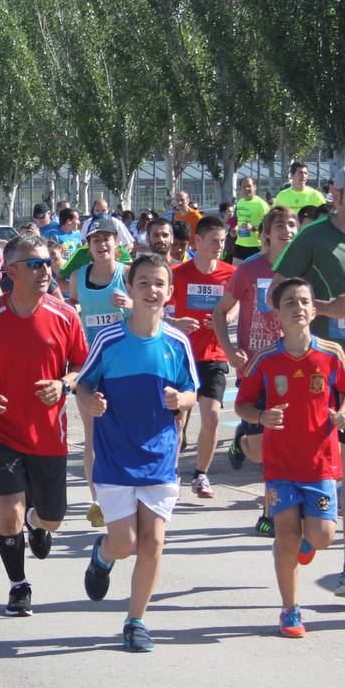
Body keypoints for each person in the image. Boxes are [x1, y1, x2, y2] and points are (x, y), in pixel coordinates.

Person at [0, 233, 88, 617]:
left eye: (47, 262)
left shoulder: (65, 316)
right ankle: (18, 585)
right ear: (12, 272)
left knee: (53, 519)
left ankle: (37, 521)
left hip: (48, 434)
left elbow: (81, 367)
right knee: (8, 509)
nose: (45, 270)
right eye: (35, 264)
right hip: (0, 431)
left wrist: (64, 384)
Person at [274, 163, 345, 599]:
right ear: (336, 196)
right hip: (319, 364)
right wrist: (325, 308)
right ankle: (308, 529)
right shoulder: (313, 238)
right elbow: (277, 294)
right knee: (317, 456)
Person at [78, 253, 198, 652]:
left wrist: (180, 398)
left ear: (169, 291)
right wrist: (92, 403)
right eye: (143, 282)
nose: (151, 290)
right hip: (114, 455)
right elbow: (84, 384)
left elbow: (191, 391)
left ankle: (136, 621)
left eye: (159, 283)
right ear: (129, 290)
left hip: (159, 456)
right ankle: (103, 554)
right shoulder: (109, 339)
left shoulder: (177, 342)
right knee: (125, 542)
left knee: (154, 543)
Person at [235, 277, 345, 638]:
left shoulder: (331, 353)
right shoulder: (266, 360)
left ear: (314, 309)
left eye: (304, 301)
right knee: (285, 536)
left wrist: (342, 413)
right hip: (281, 464)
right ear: (277, 313)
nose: (299, 307)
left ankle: (308, 542)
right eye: (290, 302)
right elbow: (242, 404)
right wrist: (261, 417)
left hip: (320, 462)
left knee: (322, 537)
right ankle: (289, 610)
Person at [212, 207, 298, 535]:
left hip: (291, 368)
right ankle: (242, 441)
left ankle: (269, 512)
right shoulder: (249, 271)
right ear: (265, 234)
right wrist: (231, 351)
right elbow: (220, 313)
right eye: (279, 226)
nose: (287, 230)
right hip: (255, 369)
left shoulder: (304, 270)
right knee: (262, 448)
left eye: (292, 225)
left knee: (279, 444)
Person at [68, 215, 132, 527]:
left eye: (107, 238)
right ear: (88, 247)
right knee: (92, 435)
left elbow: (151, 310)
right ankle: (98, 501)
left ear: (117, 244)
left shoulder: (127, 275)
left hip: (124, 367)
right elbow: (73, 309)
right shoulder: (78, 277)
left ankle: (126, 494)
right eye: (96, 240)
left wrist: (131, 304)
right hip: (91, 368)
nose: (102, 243)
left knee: (124, 431)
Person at [168, 215, 236, 500]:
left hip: (213, 354)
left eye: (223, 241)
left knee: (211, 416)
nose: (219, 246)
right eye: (214, 241)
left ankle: (200, 474)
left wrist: (225, 319)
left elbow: (236, 307)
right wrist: (178, 323)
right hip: (182, 356)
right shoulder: (178, 273)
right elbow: (161, 314)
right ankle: (170, 474)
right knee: (178, 421)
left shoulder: (230, 274)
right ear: (198, 241)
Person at [232, 176, 270, 261]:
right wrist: (233, 228)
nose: (246, 188)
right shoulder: (240, 202)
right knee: (236, 273)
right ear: (240, 189)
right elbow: (234, 218)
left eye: (249, 186)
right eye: (244, 187)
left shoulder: (262, 204)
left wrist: (253, 228)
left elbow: (269, 226)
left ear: (255, 187)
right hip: (240, 244)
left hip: (256, 246)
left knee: (255, 273)